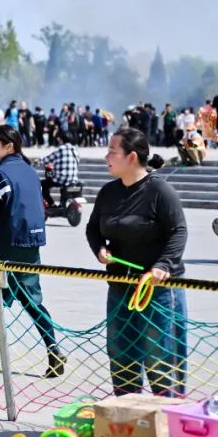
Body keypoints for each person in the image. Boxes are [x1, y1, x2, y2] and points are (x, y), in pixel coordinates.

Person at [86, 127, 188, 397]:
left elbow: (178, 232)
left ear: (132, 157)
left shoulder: (159, 190)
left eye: (112, 151)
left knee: (160, 354)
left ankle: (166, 411)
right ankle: (127, 409)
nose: (106, 157)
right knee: (121, 351)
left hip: (156, 289)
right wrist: (99, 248)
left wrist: (162, 266)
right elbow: (93, 228)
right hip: (120, 285)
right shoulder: (108, 192)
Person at [0, 125, 64, 378]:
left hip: (6, 245)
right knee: (32, 301)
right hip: (32, 244)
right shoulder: (30, 172)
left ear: (9, 146)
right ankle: (53, 350)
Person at [41, 141, 80, 207]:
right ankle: (62, 204)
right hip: (73, 179)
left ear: (60, 139)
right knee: (63, 185)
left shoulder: (60, 149)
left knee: (43, 184)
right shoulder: (75, 150)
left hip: (61, 179)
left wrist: (37, 161)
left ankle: (51, 204)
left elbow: (47, 159)